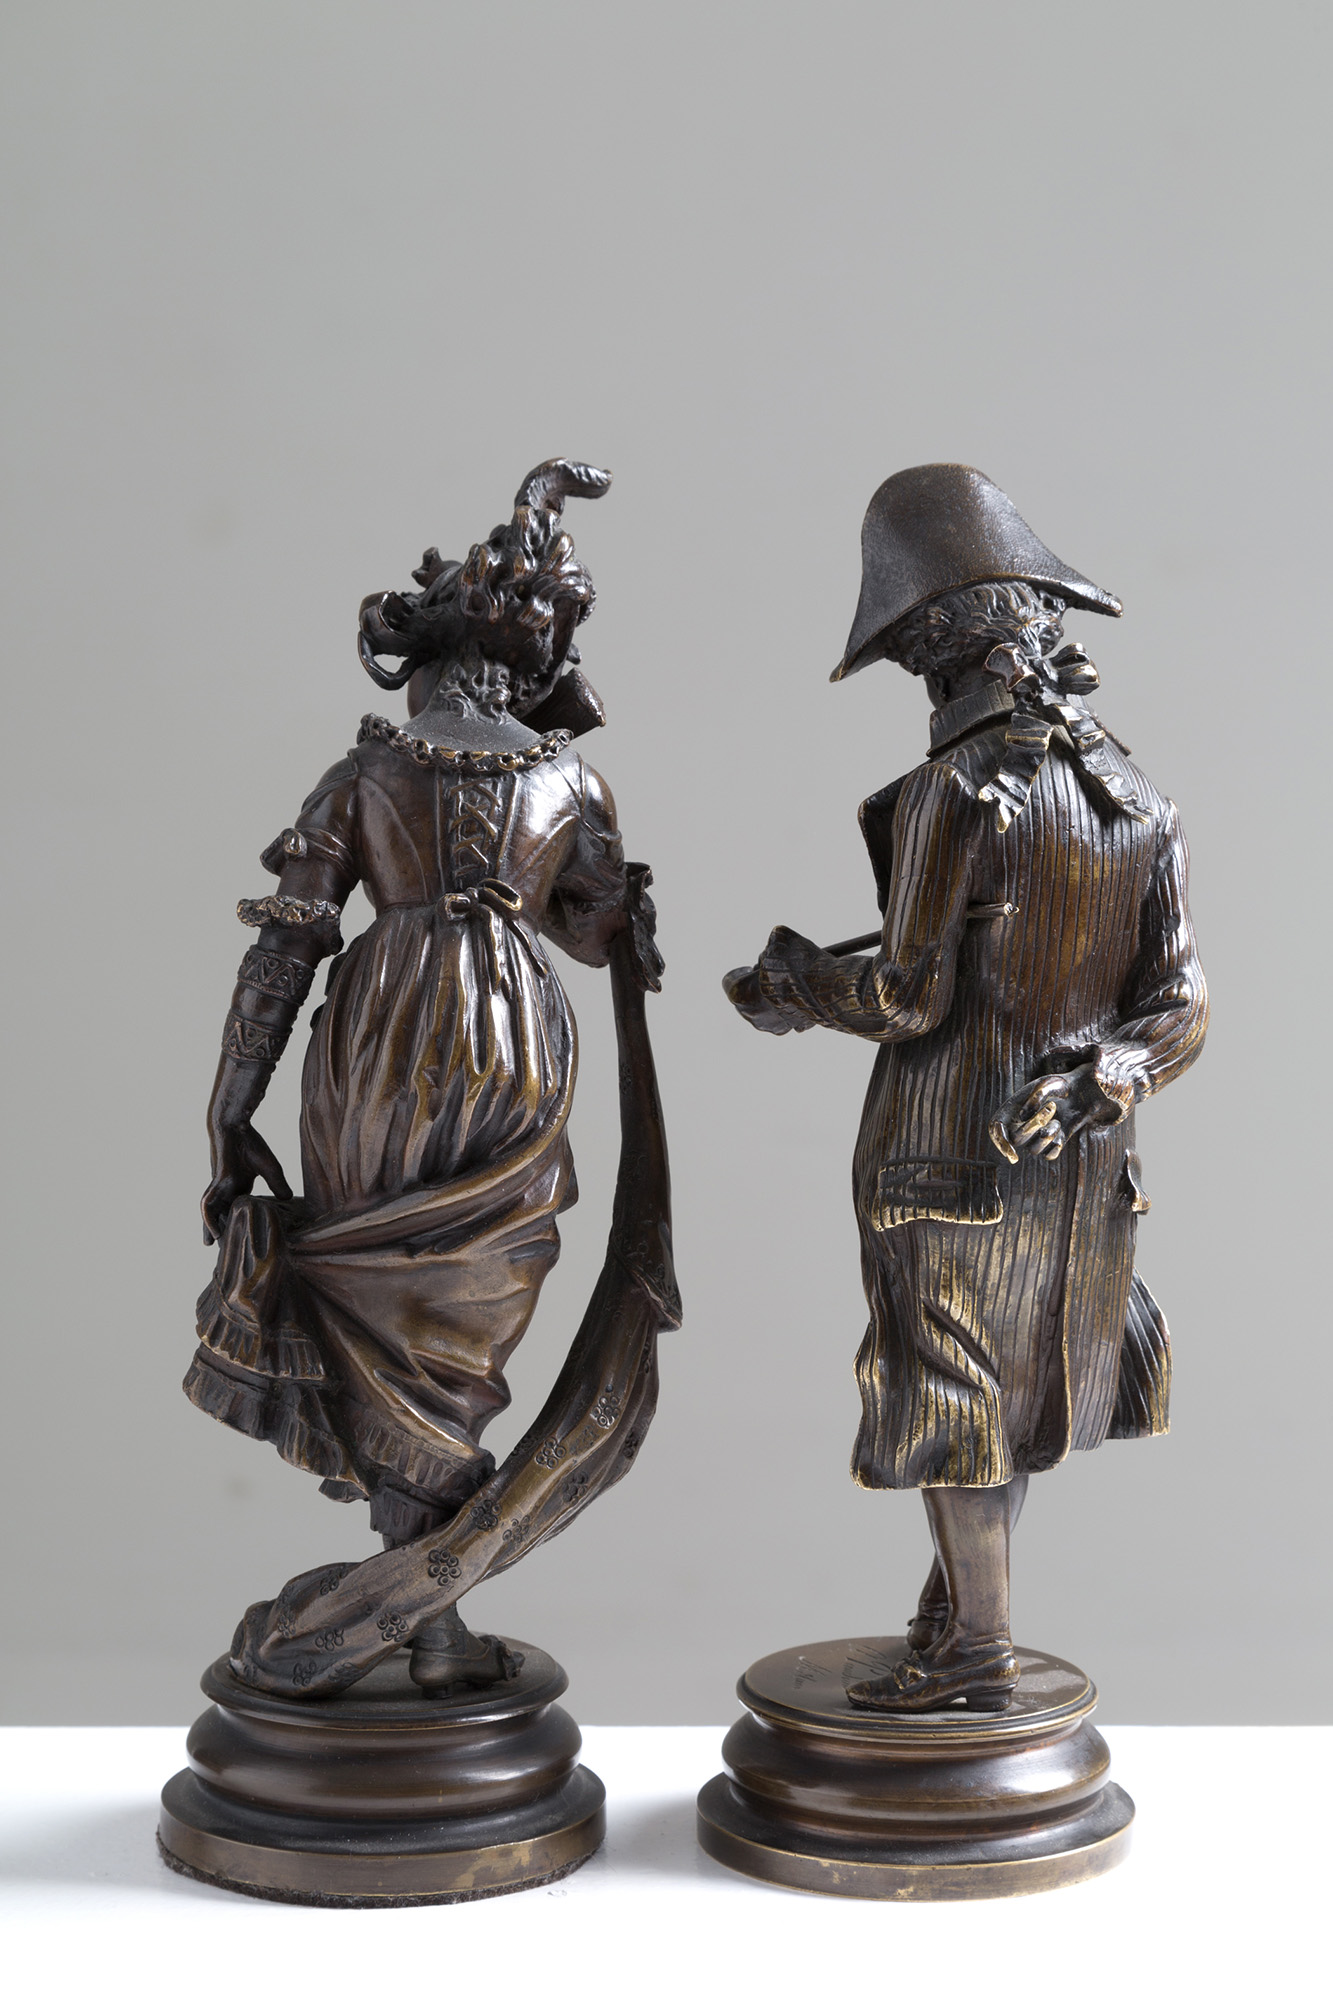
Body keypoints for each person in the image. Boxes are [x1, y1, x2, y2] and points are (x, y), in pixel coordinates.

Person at [725, 464, 1208, 1713]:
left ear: (942, 649)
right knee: (1018, 1388)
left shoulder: (955, 791)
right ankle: (960, 1614)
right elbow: (1180, 999)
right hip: (1079, 1165)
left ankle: (977, 1650)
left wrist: (791, 983)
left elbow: (905, 994)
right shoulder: (1137, 798)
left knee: (953, 1395)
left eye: (910, 655)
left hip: (946, 1153)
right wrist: (1112, 1069)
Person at [188, 460, 635, 1693]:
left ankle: (414, 1594)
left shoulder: (362, 775)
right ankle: (425, 1612)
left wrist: (230, 1102)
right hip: (515, 1050)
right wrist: (600, 904)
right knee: (464, 1322)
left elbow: (285, 949)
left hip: (381, 1042)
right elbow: (600, 932)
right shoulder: (571, 779)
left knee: (384, 1306)